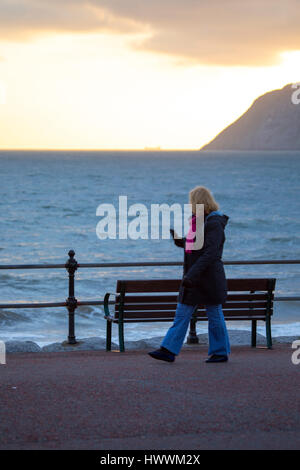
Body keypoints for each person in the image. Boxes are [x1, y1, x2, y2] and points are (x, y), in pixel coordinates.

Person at [148, 186, 231, 363]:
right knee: (183, 313)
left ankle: (220, 351)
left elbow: (211, 253)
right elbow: (196, 246)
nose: (190, 205)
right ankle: (168, 350)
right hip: (196, 277)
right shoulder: (199, 221)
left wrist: (191, 275)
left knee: (214, 314)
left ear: (199, 203)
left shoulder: (214, 223)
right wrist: (180, 241)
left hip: (206, 278)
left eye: (192, 202)